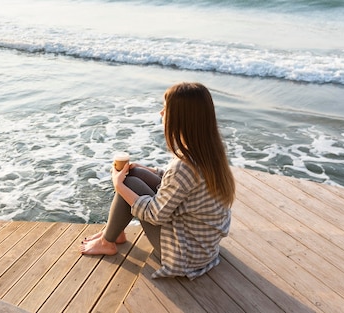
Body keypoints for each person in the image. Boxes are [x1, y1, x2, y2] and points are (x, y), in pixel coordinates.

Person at [80, 82, 236, 279]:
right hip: (203, 244)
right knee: (135, 175)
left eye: (166, 109)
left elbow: (155, 215)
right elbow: (179, 185)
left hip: (186, 254)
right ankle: (114, 233)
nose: (161, 114)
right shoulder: (208, 150)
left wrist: (117, 184)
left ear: (181, 118)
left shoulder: (183, 165)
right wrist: (146, 169)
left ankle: (107, 242)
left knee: (129, 183)